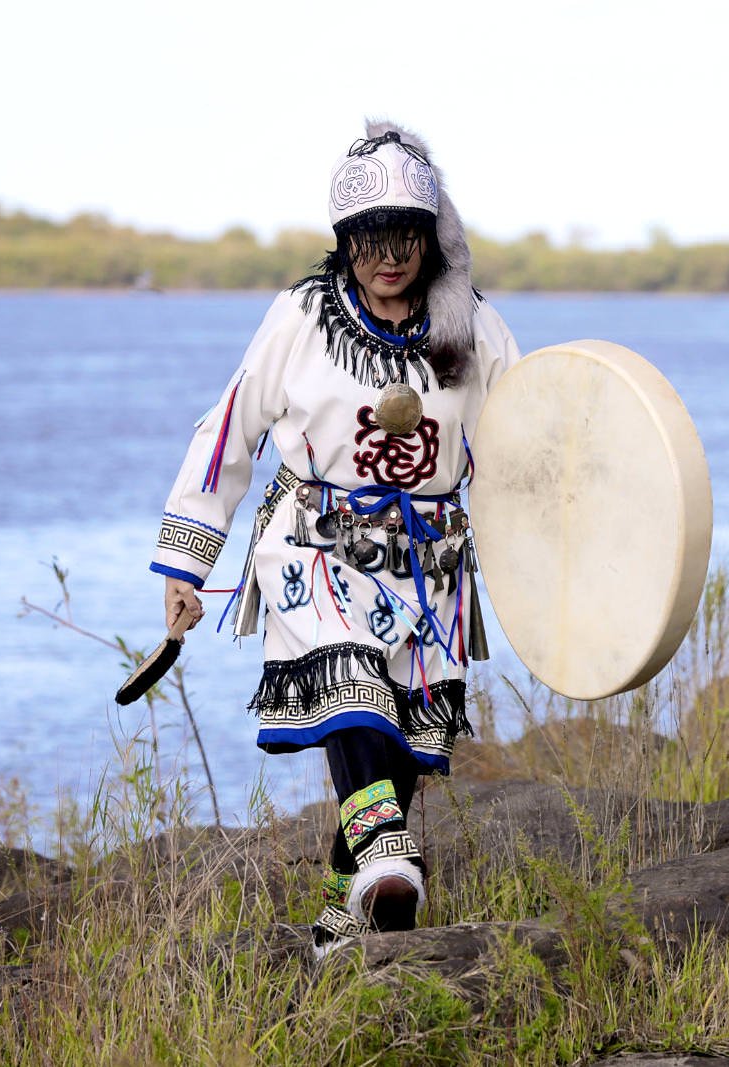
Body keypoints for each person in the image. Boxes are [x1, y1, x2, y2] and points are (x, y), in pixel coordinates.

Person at [149, 119, 519, 957]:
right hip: (316, 547)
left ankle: (340, 917)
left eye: (405, 239)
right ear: (346, 241)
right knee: (352, 692)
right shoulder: (302, 317)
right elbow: (229, 427)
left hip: (429, 564)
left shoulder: (477, 332)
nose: (388, 258)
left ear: (431, 240)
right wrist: (187, 560)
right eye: (370, 240)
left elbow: (522, 455)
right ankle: (387, 855)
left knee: (401, 745)